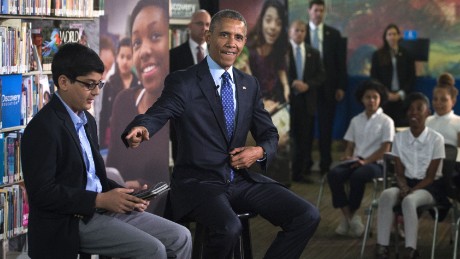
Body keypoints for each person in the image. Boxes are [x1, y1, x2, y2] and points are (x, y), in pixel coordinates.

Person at [122, 9, 320, 259]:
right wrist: (144, 126)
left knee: (307, 215)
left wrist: (258, 151)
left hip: (239, 180)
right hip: (199, 183)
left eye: (238, 37)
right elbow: (161, 110)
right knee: (229, 228)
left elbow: (269, 134)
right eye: (224, 35)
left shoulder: (249, 84)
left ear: (244, 42)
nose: (231, 43)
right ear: (208, 36)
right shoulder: (184, 81)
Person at [20, 43, 191, 258]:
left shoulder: (87, 121)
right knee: (152, 250)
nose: (96, 92)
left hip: (101, 209)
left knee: (180, 236)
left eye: (99, 84)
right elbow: (42, 193)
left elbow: (93, 177)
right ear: (63, 82)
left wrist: (126, 195)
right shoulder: (42, 128)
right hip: (69, 221)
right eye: (89, 85)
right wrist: (98, 200)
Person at [106, 0, 170, 215]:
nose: (143, 51)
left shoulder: (186, 107)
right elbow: (113, 167)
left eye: (154, 36)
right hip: (124, 209)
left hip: (164, 212)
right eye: (136, 42)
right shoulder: (123, 101)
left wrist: (146, 189)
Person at [375, 92, 445, 259]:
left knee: (409, 200)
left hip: (429, 187)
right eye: (411, 109)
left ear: (427, 112)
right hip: (405, 183)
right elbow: (399, 172)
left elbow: (430, 176)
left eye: (419, 109)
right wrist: (404, 186)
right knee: (385, 195)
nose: (414, 112)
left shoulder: (436, 139)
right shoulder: (399, 138)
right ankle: (382, 246)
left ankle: (410, 249)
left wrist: (410, 190)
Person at [327, 80, 394, 237]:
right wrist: (347, 155)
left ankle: (347, 219)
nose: (371, 100)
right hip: (356, 161)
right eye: (367, 97)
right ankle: (351, 218)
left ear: (380, 99)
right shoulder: (356, 120)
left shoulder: (387, 121)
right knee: (333, 174)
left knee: (359, 176)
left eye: (375, 97)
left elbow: (386, 149)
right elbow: (350, 145)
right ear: (362, 99)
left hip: (376, 164)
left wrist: (366, 161)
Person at [306, 0, 347, 174]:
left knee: (326, 128)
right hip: (306, 88)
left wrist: (341, 87)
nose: (318, 14)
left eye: (321, 11)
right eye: (316, 10)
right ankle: (304, 164)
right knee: (305, 128)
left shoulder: (334, 34)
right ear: (310, 11)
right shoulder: (301, 32)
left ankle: (325, 164)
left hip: (328, 88)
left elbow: (340, 64)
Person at [169, 9, 211, 161]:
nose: (205, 28)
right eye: (200, 23)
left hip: (211, 126)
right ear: (189, 26)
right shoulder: (173, 56)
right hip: (182, 124)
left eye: (208, 24)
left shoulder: (218, 56)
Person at [287, 19, 325, 183]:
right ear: (290, 32)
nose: (300, 33)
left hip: (306, 102)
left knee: (304, 139)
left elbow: (321, 75)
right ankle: (280, 173)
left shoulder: (313, 53)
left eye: (303, 31)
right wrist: (292, 82)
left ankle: (299, 173)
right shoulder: (282, 51)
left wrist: (308, 85)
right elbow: (275, 73)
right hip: (287, 101)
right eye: (297, 30)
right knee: (285, 139)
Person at [245, 0, 290, 109]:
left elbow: (281, 67)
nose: (273, 27)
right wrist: (262, 103)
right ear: (261, 21)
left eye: (278, 23)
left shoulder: (279, 47)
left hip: (276, 102)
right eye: (268, 20)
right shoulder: (247, 49)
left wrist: (286, 86)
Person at [99, 37, 141, 149]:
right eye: (122, 57)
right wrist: (101, 144)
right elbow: (104, 115)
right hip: (112, 140)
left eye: (129, 57)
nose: (125, 61)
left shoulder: (139, 85)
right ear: (117, 58)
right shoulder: (109, 84)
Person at [371, 23, 416, 127]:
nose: (392, 37)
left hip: (402, 98)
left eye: (394, 34)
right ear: (385, 37)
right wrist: (386, 93)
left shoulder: (407, 54)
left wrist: (400, 93)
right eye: (389, 34)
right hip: (384, 98)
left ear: (399, 36)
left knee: (401, 126)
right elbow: (374, 78)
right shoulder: (378, 55)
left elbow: (411, 77)